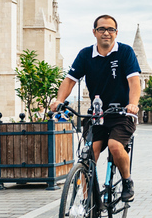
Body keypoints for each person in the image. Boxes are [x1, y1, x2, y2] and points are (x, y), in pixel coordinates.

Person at [50, 15, 141, 202]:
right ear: (94, 32)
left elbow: (134, 81)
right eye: (101, 29)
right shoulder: (85, 55)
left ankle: (127, 181)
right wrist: (59, 100)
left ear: (116, 33)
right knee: (87, 155)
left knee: (116, 146)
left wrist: (133, 104)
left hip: (122, 114)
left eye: (110, 29)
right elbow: (70, 81)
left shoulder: (125, 52)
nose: (106, 33)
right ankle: (87, 202)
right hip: (97, 115)